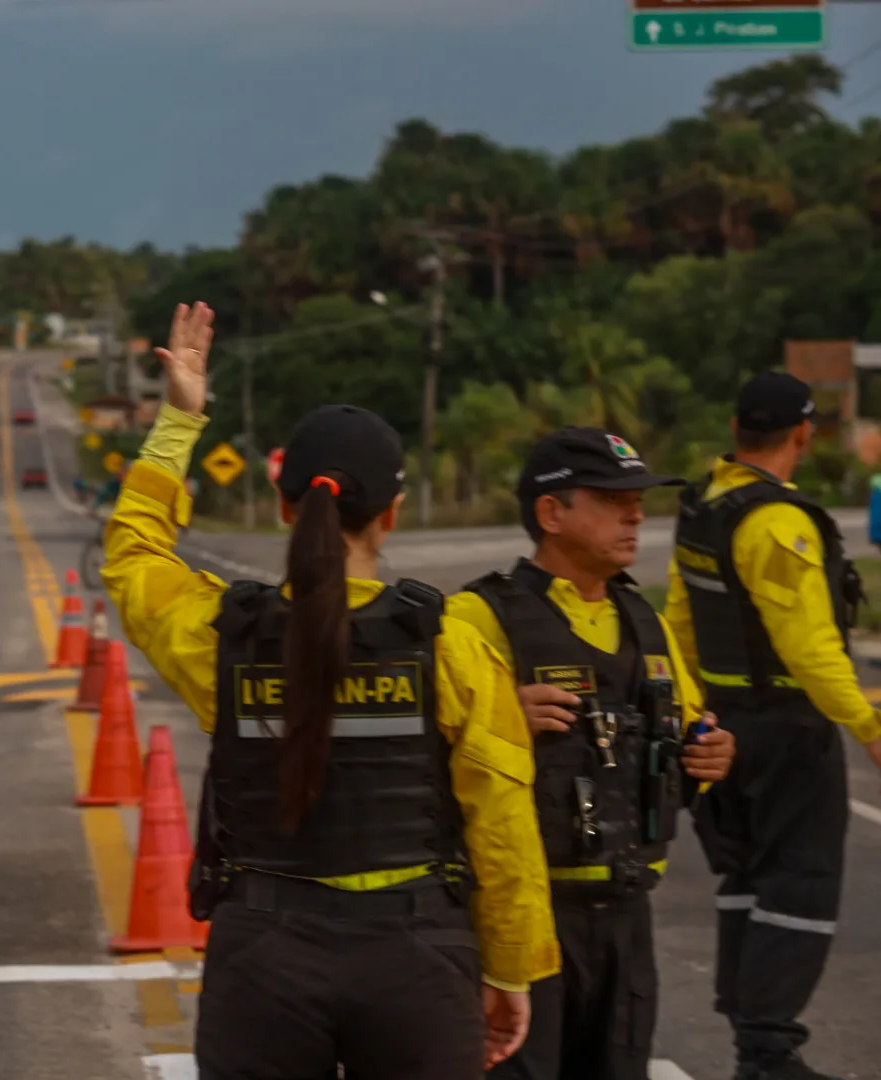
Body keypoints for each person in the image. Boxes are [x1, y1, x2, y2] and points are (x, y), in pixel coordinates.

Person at [103, 302, 558, 1079]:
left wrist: (181, 420)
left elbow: (133, 555)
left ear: (286, 507)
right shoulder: (446, 641)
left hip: (263, 964)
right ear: (392, 513)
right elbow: (503, 820)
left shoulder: (227, 635)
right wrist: (510, 969)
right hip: (416, 962)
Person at [447, 427, 737, 1080]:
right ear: (551, 513)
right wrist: (499, 718)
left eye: (638, 498)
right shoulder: (476, 617)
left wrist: (713, 753)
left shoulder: (645, 620)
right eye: (612, 498)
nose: (635, 513)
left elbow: (688, 733)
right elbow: (421, 758)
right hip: (521, 926)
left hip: (626, 920)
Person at [666, 371, 881, 1080]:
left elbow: (681, 623)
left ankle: (751, 1036)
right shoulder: (777, 522)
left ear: (735, 431)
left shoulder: (705, 506)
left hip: (726, 729)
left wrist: (692, 710)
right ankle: (768, 1051)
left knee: (746, 881)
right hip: (789, 731)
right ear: (802, 435)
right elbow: (810, 644)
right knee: (801, 884)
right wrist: (866, 723)